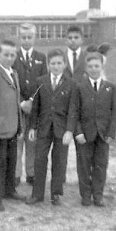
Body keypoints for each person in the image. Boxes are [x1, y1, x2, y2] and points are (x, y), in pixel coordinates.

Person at [26, 49, 77, 206]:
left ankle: (56, 193)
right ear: (48, 65)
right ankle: (37, 194)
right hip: (44, 127)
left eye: (59, 63)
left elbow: (73, 109)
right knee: (40, 159)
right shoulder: (40, 81)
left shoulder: (71, 83)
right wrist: (33, 127)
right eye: (53, 63)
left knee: (59, 161)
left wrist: (69, 130)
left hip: (61, 129)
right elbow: (35, 107)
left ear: (64, 64)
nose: (56, 66)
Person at [0, 39, 25, 211]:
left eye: (12, 54)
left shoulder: (13, 74)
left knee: (10, 160)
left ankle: (9, 190)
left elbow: (16, 102)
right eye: (5, 54)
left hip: (12, 128)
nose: (9, 58)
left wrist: (20, 126)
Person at [75, 52, 116, 207]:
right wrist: (78, 132)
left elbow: (114, 112)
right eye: (90, 66)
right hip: (85, 135)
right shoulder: (80, 87)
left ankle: (98, 195)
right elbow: (75, 112)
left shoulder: (110, 88)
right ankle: (85, 195)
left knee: (101, 165)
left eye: (97, 66)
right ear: (86, 68)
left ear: (102, 67)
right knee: (84, 166)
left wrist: (111, 133)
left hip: (103, 134)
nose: (93, 69)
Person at [13, 23, 47, 187]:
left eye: (29, 37)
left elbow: (44, 82)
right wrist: (21, 102)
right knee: (18, 140)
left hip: (35, 107)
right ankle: (16, 174)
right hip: (17, 108)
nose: (26, 40)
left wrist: (32, 101)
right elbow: (11, 82)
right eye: (23, 37)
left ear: (34, 38)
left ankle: (31, 173)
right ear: (19, 38)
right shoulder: (14, 56)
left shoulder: (42, 57)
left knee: (32, 141)